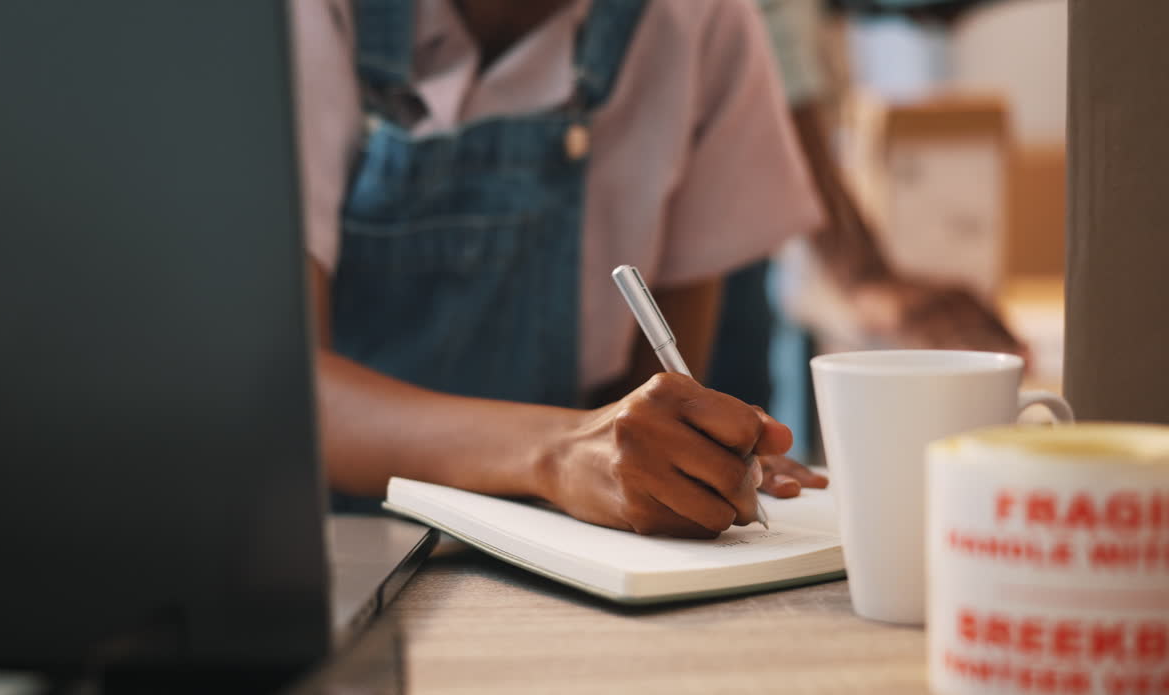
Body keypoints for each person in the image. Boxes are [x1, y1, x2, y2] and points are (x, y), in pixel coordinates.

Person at [290, 0, 827, 538]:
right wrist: (559, 452)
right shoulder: (299, 19)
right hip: (334, 545)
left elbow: (658, 390)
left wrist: (684, 462)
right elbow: (280, 391)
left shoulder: (702, 21)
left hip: (554, 549)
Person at [710, 0, 1026, 479]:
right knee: (699, 439)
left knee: (738, 456)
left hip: (730, 238)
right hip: (687, 242)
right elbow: (767, 60)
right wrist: (863, 272)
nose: (952, 22)